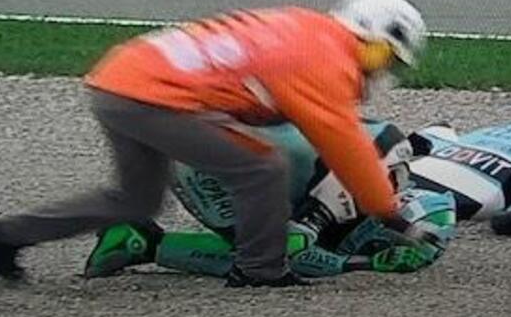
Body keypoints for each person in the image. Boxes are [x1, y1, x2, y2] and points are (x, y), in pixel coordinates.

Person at [0, 0, 431, 288]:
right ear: (369, 37)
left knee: (136, 200)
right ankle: (261, 271)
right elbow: (344, 142)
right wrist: (390, 214)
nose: (380, 70)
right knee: (261, 168)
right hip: (151, 97)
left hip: (117, 82)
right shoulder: (325, 59)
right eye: (384, 58)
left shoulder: (306, 28)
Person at [83, 119, 456, 280]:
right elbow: (297, 253)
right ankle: (143, 243)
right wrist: (363, 264)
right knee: (265, 261)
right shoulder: (351, 188)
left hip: (206, 136)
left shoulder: (388, 158)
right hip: (206, 158)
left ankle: (142, 241)